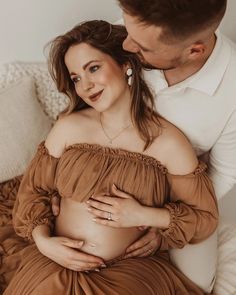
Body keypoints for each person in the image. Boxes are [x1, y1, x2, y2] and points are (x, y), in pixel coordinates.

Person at [4, 20, 218, 294]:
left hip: (129, 272)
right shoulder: (70, 127)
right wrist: (45, 241)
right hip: (57, 263)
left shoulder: (167, 142)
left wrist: (146, 215)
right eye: (76, 78)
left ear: (125, 64)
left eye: (93, 68)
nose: (86, 86)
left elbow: (203, 218)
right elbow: (33, 193)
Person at [106, 0, 236, 292]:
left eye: (143, 47)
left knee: (194, 283)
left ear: (194, 50)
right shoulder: (141, 27)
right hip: (106, 162)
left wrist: (163, 222)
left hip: (177, 194)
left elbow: (224, 174)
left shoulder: (233, 92)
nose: (125, 44)